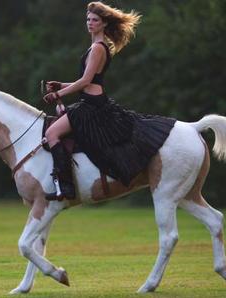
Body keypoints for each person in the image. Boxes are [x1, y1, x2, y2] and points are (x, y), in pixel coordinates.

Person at [43, 1, 176, 201]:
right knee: (57, 130)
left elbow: (85, 81)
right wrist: (61, 85)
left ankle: (66, 186)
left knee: (51, 133)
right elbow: (89, 81)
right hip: (91, 102)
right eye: (88, 19)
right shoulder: (96, 46)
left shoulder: (98, 48)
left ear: (104, 23)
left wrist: (59, 95)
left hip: (91, 106)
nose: (90, 23)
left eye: (95, 20)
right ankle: (67, 183)